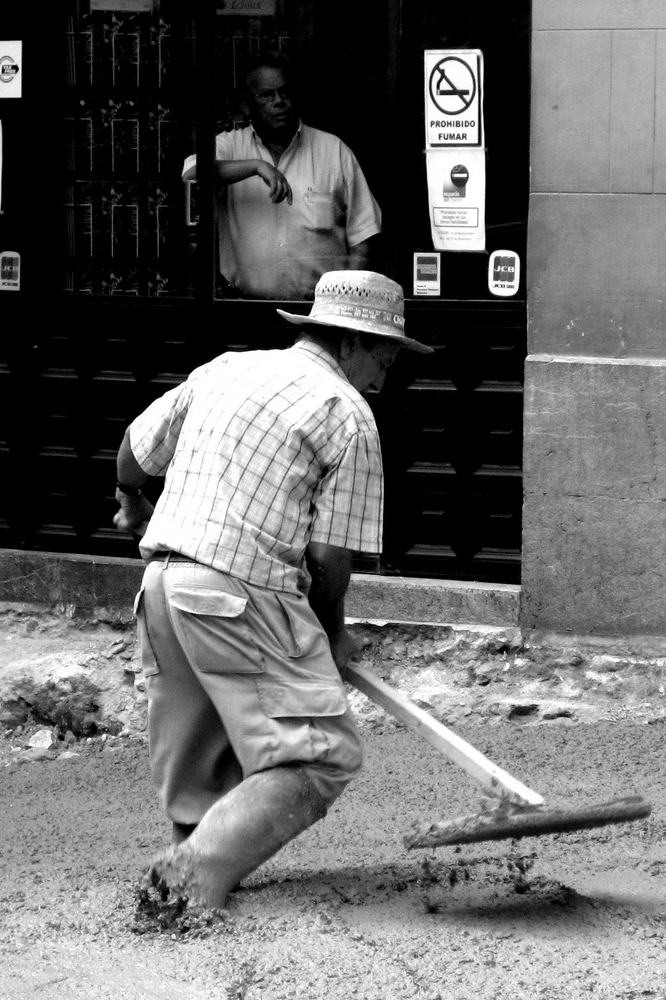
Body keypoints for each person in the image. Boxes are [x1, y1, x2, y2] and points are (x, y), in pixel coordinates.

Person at [113, 270, 432, 918]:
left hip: (164, 589)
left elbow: (132, 456)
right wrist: (331, 634)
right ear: (350, 342)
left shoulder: (226, 369)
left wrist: (132, 504)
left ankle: (194, 875)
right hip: (238, 590)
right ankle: (187, 879)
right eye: (385, 352)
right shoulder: (345, 413)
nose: (387, 368)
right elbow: (327, 557)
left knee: (199, 747)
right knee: (321, 755)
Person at [182, 51, 382, 300]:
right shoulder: (232, 146)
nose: (279, 101)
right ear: (246, 105)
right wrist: (256, 166)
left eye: (285, 92)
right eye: (266, 95)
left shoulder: (333, 151)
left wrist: (343, 301)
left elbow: (362, 236)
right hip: (246, 309)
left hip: (320, 311)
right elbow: (191, 172)